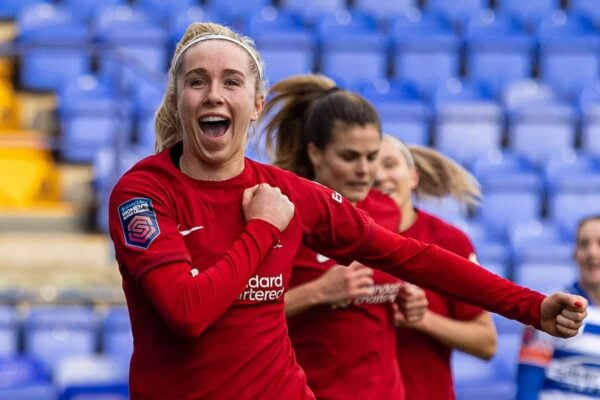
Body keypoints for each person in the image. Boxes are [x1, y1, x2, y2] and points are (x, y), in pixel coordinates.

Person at [107, 21, 587, 400]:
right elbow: (187, 313)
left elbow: (411, 256)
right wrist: (261, 230)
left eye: (231, 82)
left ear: (255, 106)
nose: (214, 94)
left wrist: (531, 306)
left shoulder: (289, 194)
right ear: (178, 99)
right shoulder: (144, 194)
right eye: (197, 82)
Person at [261, 74, 428, 399]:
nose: (366, 171)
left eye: (372, 157)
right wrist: (318, 292)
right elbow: (240, 319)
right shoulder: (281, 214)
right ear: (316, 153)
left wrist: (407, 297)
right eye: (350, 158)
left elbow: (374, 299)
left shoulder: (385, 211)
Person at [374, 135, 498, 399]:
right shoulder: (334, 238)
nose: (379, 176)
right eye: (370, 164)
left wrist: (423, 320)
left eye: (390, 164)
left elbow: (486, 342)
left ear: (413, 176)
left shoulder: (449, 241)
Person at [516, 214, 600, 399]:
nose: (592, 252)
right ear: (575, 254)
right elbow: (526, 390)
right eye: (584, 244)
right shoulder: (552, 308)